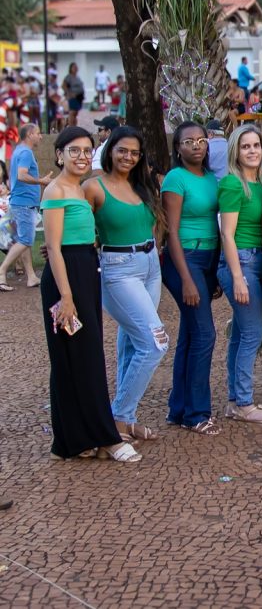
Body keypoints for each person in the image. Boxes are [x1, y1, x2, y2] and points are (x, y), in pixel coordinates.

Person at [41, 126, 141, 462]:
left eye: (87, 150)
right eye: (75, 151)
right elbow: (53, 248)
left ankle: (78, 439)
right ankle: (100, 435)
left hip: (86, 267)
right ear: (60, 155)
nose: (82, 156)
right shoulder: (56, 191)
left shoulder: (81, 189)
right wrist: (67, 297)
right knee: (75, 357)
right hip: (66, 277)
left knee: (83, 355)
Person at [83, 126, 167, 442]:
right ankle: (118, 417)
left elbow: (152, 224)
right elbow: (76, 225)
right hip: (118, 269)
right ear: (110, 150)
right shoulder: (93, 187)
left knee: (133, 341)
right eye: (122, 150)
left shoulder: (140, 185)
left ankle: (126, 417)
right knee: (155, 342)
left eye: (134, 152)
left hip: (149, 266)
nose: (128, 157)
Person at [161, 121, 221, 435]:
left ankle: (179, 409)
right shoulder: (175, 178)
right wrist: (186, 279)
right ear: (178, 147)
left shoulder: (212, 178)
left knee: (190, 334)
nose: (196, 146)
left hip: (209, 260)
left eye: (201, 140)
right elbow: (170, 232)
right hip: (184, 259)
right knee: (205, 335)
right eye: (188, 141)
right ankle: (197, 413)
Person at [217, 124, 262, 424]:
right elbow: (227, 235)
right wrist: (238, 276)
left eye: (256, 145)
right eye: (245, 147)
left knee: (241, 333)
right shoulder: (232, 184)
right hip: (241, 261)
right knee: (253, 332)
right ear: (235, 152)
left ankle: (234, 400)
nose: (252, 151)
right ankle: (244, 402)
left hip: (258, 260)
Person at [0, 124, 49, 291]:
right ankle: (2, 271)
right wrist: (41, 181)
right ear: (29, 134)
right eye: (38, 133)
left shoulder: (18, 151)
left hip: (19, 202)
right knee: (26, 240)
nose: (41, 136)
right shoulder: (26, 152)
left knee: (23, 239)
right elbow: (21, 175)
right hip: (24, 203)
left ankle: (31, 276)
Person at [61, 63, 85, 127]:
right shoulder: (69, 77)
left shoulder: (77, 77)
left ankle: (74, 126)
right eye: (74, 67)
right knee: (72, 112)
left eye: (76, 67)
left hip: (79, 97)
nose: (75, 68)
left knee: (75, 113)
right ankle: (71, 126)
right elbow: (63, 86)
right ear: (71, 68)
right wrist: (69, 93)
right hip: (73, 97)